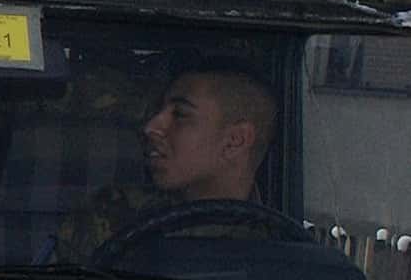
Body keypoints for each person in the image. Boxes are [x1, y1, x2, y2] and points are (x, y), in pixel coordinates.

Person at [54, 64, 278, 261]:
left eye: (179, 114)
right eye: (160, 110)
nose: (151, 127)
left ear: (234, 141)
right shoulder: (111, 216)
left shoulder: (281, 244)